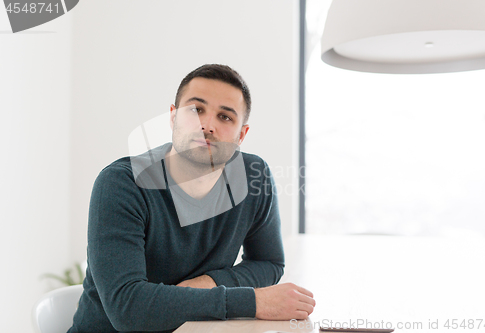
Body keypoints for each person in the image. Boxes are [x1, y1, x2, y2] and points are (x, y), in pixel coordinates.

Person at [68, 64, 315, 333]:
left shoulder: (254, 177)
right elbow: (128, 308)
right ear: (173, 117)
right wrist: (252, 301)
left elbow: (269, 263)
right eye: (196, 110)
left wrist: (210, 282)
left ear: (241, 136)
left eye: (225, 117)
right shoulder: (122, 184)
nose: (207, 125)